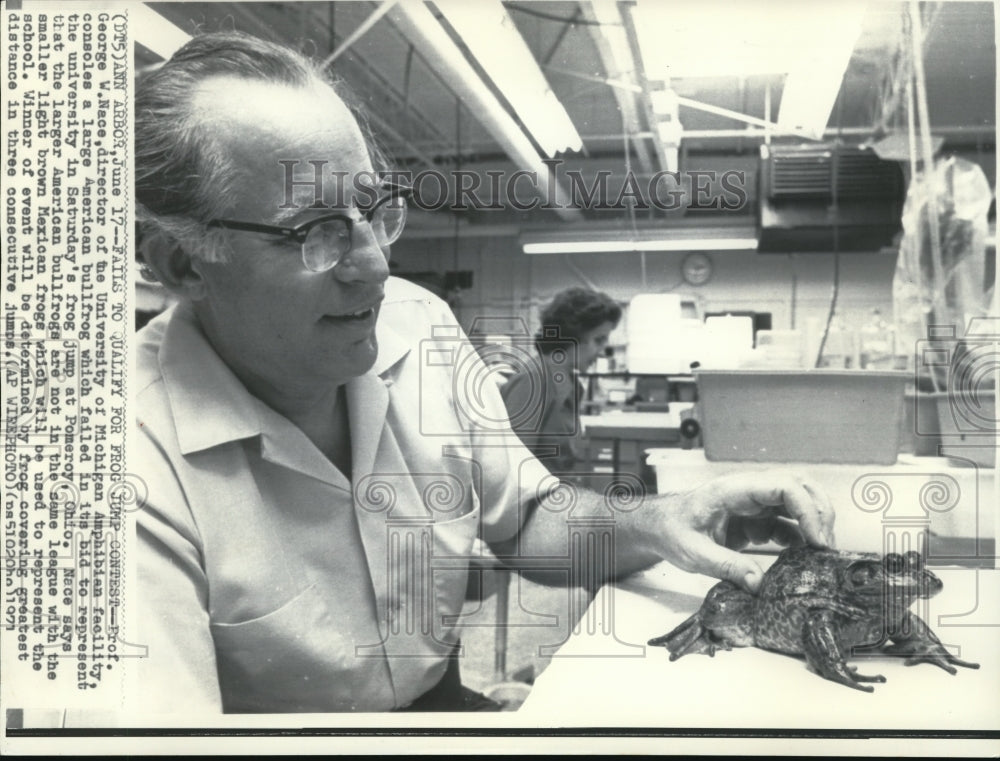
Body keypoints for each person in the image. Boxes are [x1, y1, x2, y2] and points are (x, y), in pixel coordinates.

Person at [132, 31, 835, 714]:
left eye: (375, 211)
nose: (376, 265)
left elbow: (528, 518)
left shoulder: (419, 327)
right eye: (315, 231)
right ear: (184, 264)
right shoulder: (121, 469)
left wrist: (666, 520)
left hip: (440, 699)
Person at [499, 288, 621, 475]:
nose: (603, 350)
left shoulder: (568, 382)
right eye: (598, 340)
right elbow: (512, 468)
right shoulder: (533, 381)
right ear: (572, 337)